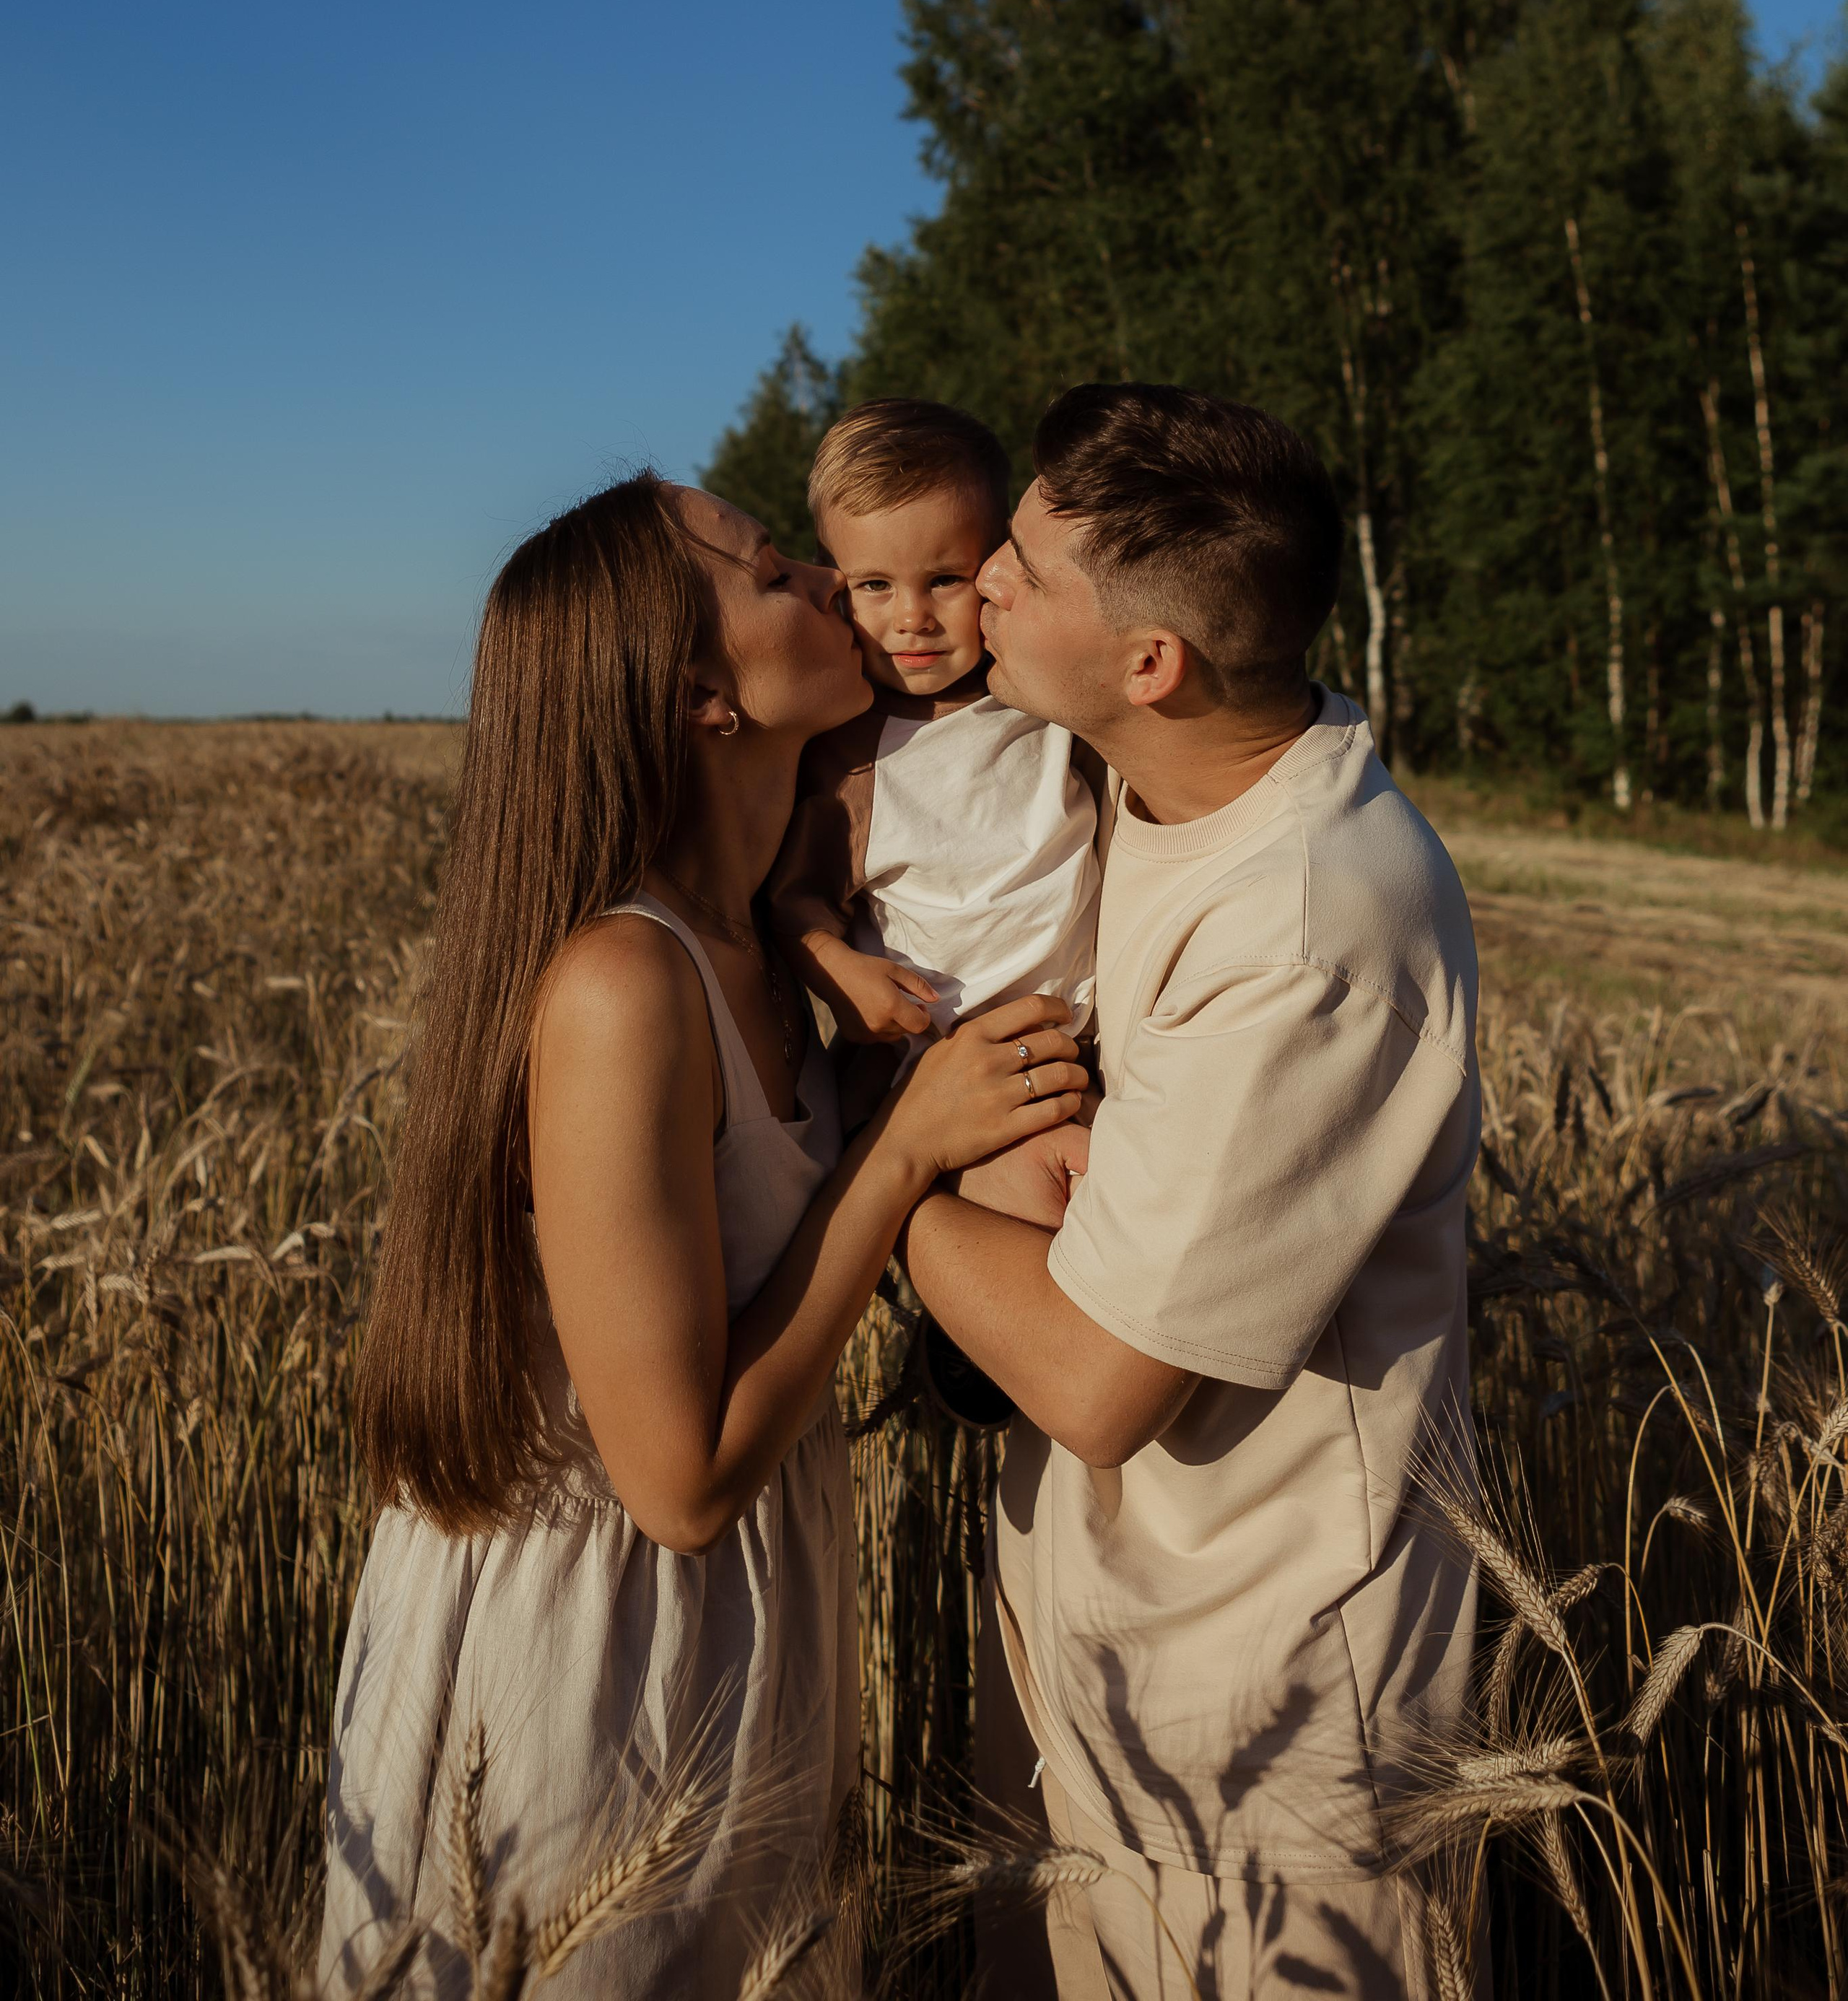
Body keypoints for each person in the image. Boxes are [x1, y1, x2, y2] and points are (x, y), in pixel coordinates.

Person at [318, 472, 1087, 2000]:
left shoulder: (768, 945)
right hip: (593, 1667)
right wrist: (905, 1152)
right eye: (769, 571)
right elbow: (671, 1480)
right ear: (697, 699)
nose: (829, 582)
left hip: (739, 1623)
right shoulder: (624, 984)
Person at [897, 385, 1481, 2001]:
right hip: (1091, 1674)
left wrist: (879, 1159)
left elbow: (1094, 1382)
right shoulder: (1124, 793)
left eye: (1015, 562)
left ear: (1149, 662)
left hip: (1267, 1727)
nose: (975, 584)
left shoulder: (1305, 922)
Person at [770, 397, 1101, 1114]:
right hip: (937, 1068)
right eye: (875, 586)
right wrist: (839, 972)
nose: (911, 617)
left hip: (1091, 1048)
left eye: (944, 580)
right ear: (837, 584)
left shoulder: (1040, 693)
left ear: (994, 566)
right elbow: (796, 901)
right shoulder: (850, 755)